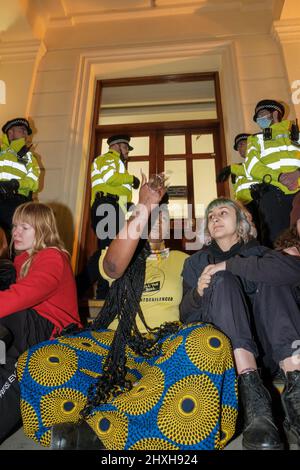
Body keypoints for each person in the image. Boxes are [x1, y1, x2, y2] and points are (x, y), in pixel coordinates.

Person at [18, 177, 237, 450]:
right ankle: (119, 426)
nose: (156, 219)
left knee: (208, 344)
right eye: (149, 215)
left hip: (164, 350)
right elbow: (112, 267)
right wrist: (144, 205)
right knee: (38, 360)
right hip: (113, 346)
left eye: (162, 215)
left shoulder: (186, 259)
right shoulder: (113, 252)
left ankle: (94, 432)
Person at [180, 197, 300, 450]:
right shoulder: (195, 263)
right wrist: (196, 295)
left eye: (223, 212)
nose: (214, 218)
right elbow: (184, 315)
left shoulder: (264, 254)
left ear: (243, 222)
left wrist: (231, 264)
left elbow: (294, 272)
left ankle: (296, 387)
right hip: (226, 356)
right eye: (210, 215)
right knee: (222, 280)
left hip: (271, 350)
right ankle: (254, 400)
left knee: (272, 277)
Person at [0, 202, 82, 443]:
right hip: (28, 331)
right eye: (15, 226)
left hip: (53, 333)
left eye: (25, 227)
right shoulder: (20, 262)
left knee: (14, 313)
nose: (15, 232)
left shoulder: (52, 257)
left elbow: (21, 297)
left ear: (43, 230)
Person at [76, 134, 140, 300]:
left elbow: (115, 190)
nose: (127, 152)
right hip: (106, 207)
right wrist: (132, 178)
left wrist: (128, 206)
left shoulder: (116, 163)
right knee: (109, 252)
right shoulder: (109, 159)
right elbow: (110, 178)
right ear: (116, 146)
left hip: (111, 207)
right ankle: (100, 294)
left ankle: (88, 290)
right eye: (125, 147)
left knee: (108, 250)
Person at [244, 99, 300, 247]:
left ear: (275, 113)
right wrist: (279, 177)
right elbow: (251, 166)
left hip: (298, 191)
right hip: (272, 194)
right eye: (257, 118)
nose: (259, 120)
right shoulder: (256, 139)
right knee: (275, 241)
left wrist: (297, 174)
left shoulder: (296, 132)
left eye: (262, 114)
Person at [0, 118, 40, 234]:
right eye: (22, 130)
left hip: (17, 203)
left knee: (16, 238)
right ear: (10, 133)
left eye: (26, 131)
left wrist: (15, 184)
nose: (25, 133)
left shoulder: (29, 157)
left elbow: (34, 182)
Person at [217, 133, 260, 238]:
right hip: (244, 208)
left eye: (242, 144)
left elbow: (256, 171)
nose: (239, 148)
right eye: (238, 147)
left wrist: (232, 168)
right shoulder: (239, 168)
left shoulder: (259, 159)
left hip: (259, 206)